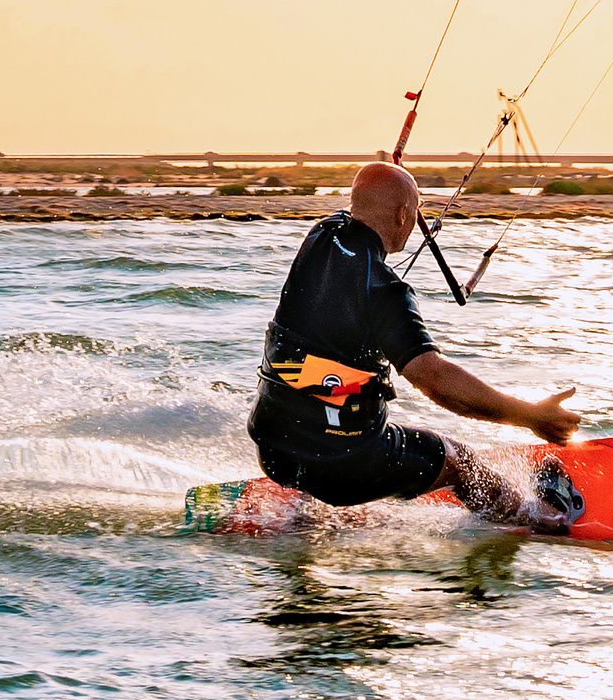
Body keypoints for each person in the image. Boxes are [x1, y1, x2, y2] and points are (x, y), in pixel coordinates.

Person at [247, 159, 584, 530]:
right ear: (404, 214)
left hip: (274, 446)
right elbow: (435, 378)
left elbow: (364, 203)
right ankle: (546, 518)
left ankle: (305, 513)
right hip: (343, 466)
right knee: (460, 460)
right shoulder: (386, 292)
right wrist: (530, 416)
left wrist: (392, 186)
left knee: (329, 394)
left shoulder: (320, 235)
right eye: (416, 211)